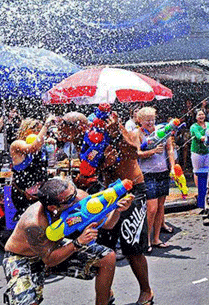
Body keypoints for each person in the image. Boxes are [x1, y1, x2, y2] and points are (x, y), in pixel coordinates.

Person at [59, 110, 154, 305]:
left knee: (131, 245)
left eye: (64, 128)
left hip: (132, 189)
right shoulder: (82, 141)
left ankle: (146, 290)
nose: (61, 133)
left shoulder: (109, 127)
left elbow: (134, 151)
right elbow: (93, 169)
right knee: (103, 247)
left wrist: (118, 134)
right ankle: (105, 294)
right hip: (108, 192)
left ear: (78, 127)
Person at [2, 178, 132, 305]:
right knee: (27, 302)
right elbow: (49, 260)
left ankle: (104, 300)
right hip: (23, 257)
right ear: (53, 207)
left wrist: (117, 210)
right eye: (70, 199)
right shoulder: (34, 223)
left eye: (74, 192)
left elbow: (107, 224)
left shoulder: (78, 197)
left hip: (55, 247)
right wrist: (78, 243)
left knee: (107, 258)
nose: (76, 198)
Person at [136, 107, 175, 250]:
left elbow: (169, 149)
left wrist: (172, 168)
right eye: (147, 120)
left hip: (163, 172)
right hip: (147, 173)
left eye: (152, 119)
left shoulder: (163, 130)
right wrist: (152, 151)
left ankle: (156, 238)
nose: (151, 123)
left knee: (160, 207)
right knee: (151, 208)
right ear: (139, 121)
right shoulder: (138, 133)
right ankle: (145, 240)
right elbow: (138, 153)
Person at [9, 116, 56, 218]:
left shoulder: (41, 144)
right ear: (27, 130)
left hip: (39, 192)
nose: (40, 133)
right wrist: (46, 125)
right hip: (24, 193)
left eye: (40, 130)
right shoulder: (17, 144)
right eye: (37, 130)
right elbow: (32, 148)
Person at [189, 109, 209, 189]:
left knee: (208, 170)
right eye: (199, 115)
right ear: (196, 117)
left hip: (207, 152)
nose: (201, 116)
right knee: (197, 171)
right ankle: (199, 190)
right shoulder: (194, 127)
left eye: (202, 114)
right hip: (197, 152)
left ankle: (207, 188)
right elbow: (200, 137)